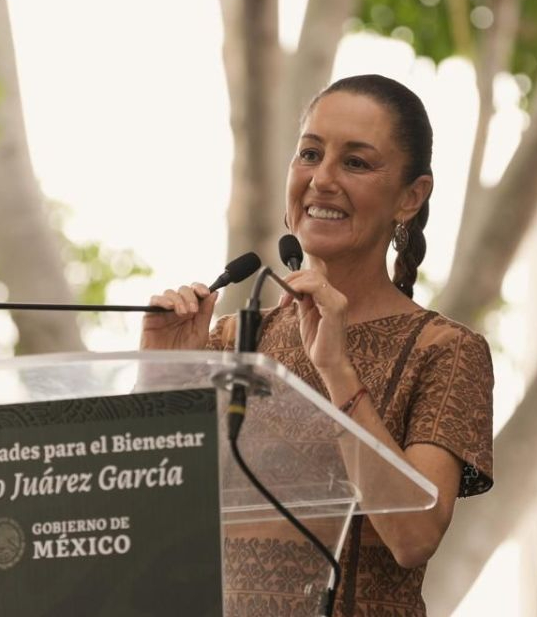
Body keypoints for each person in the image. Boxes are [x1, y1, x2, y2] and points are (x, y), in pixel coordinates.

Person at [141, 74, 494, 617]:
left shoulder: (444, 350)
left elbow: (414, 535)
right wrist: (161, 379)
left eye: (355, 162)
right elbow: (149, 525)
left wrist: (337, 369)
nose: (322, 179)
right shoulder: (235, 341)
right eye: (310, 153)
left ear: (410, 196)